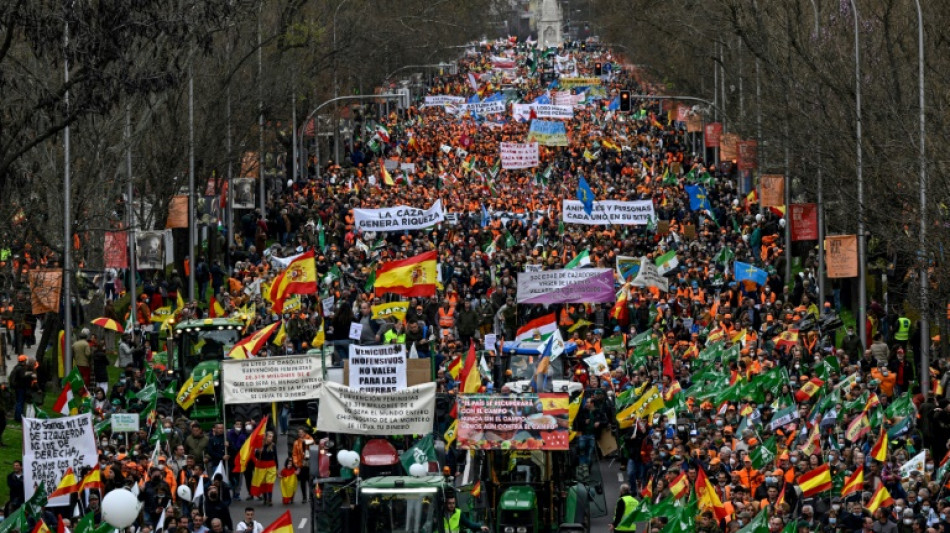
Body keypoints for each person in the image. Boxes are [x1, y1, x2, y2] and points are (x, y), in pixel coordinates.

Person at [8, 355, 33, 422]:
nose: (26, 362)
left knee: (18, 402)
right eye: (25, 360)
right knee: (20, 402)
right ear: (23, 361)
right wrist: (30, 374)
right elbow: (23, 377)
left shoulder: (16, 367)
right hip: (20, 388)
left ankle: (17, 417)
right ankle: (19, 418)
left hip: (16, 387)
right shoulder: (21, 368)